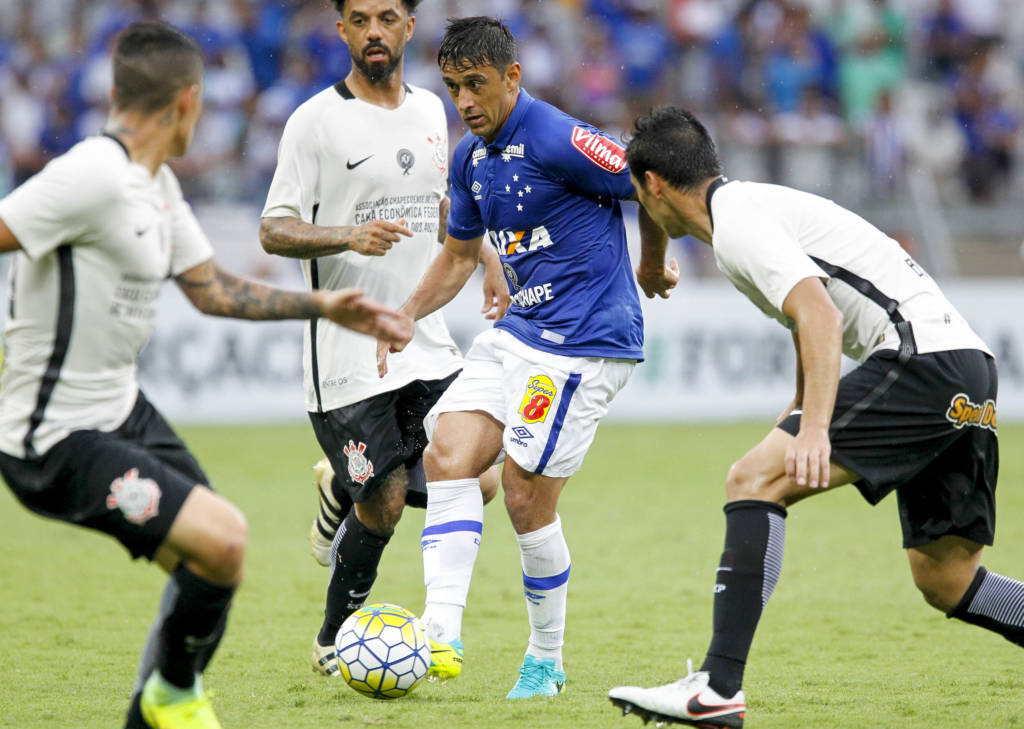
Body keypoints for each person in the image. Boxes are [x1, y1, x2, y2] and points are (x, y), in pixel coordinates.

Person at [0, 21, 410, 729]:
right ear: (188, 102)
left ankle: (157, 704)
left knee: (217, 560)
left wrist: (323, 304)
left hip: (123, 412)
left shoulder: (152, 185)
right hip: (52, 434)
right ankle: (174, 697)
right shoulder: (90, 174)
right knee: (221, 538)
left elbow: (211, 289)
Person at [608, 106, 1024, 728]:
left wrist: (817, 426)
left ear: (653, 186)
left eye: (637, 194)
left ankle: (718, 688)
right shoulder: (747, 210)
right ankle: (717, 687)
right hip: (967, 368)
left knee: (752, 479)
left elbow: (821, 318)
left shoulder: (740, 227)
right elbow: (815, 311)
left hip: (921, 360)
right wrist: (650, 262)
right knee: (948, 577)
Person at [381, 16, 669, 699]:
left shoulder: (556, 137)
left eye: (476, 85)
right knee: (446, 452)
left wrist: (653, 260)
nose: (465, 102)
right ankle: (440, 632)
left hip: (586, 341)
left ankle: (545, 658)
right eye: (453, 88)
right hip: (521, 328)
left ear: (513, 76)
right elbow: (457, 256)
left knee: (522, 494)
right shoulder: (470, 158)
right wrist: (405, 315)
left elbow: (649, 178)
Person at [258, 0, 505, 680]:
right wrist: (346, 233)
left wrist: (483, 258)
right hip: (346, 355)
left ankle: (342, 481)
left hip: (424, 336)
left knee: (480, 476)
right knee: (386, 501)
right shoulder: (315, 122)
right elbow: (273, 229)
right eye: (360, 18)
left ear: (409, 27)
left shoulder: (432, 110)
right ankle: (333, 637)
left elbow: (447, 206)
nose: (374, 30)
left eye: (387, 16)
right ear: (341, 30)